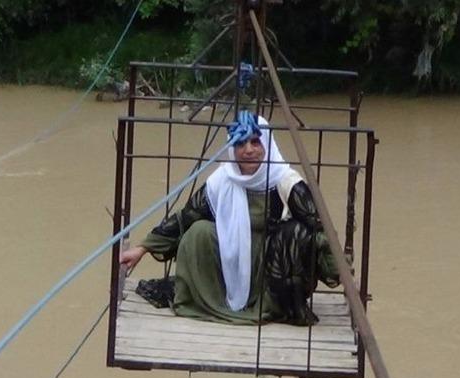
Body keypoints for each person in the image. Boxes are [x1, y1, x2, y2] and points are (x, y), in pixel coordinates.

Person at [119, 111, 339, 326]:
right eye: (241, 144)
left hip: (273, 270)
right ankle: (211, 301)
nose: (249, 150)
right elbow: (186, 217)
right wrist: (143, 248)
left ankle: (276, 307)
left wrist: (341, 271)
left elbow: (320, 228)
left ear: (267, 145)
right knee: (199, 231)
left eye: (255, 142)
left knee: (296, 232)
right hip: (230, 262)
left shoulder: (287, 183)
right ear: (232, 148)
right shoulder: (221, 181)